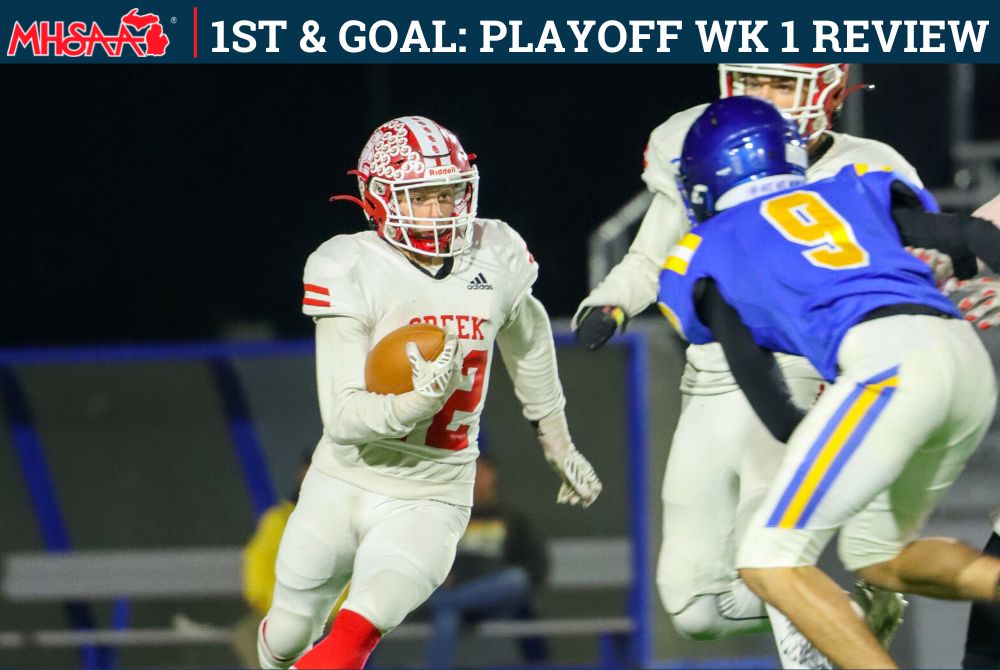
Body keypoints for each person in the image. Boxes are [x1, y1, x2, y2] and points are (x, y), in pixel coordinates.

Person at [574, 63, 958, 667]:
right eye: (753, 82)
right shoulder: (702, 141)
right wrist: (612, 301)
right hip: (706, 381)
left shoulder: (865, 165)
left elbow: (911, 264)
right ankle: (848, 614)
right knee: (695, 605)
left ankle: (816, 647)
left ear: (828, 89)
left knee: (767, 527)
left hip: (797, 371)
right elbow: (654, 251)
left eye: (783, 84)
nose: (765, 100)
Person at [656, 95, 1000, 669]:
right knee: (878, 556)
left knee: (768, 560)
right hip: (962, 357)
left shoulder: (707, 246)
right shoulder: (847, 188)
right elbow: (965, 234)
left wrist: (801, 430)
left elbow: (756, 375)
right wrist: (965, 270)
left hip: (887, 366)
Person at [255, 116, 602, 670]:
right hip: (345, 479)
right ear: (378, 198)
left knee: (358, 630)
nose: (443, 211)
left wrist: (557, 441)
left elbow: (529, 339)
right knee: (292, 633)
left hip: (433, 492)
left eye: (450, 192)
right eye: (423, 196)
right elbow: (343, 415)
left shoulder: (496, 252)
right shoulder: (350, 265)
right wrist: (415, 403)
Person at [424, 455, 550, 668]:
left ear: (494, 476)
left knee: (516, 580)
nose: (476, 478)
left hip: (498, 597)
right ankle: (450, 603)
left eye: (481, 472)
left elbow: (536, 566)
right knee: (447, 614)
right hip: (458, 592)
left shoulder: (512, 518)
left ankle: (447, 602)